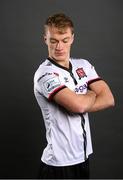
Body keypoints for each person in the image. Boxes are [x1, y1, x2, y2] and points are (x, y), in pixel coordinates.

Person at [34, 13, 115, 179]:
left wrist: (83, 99)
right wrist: (91, 93)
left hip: (83, 156)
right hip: (58, 164)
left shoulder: (83, 65)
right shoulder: (45, 74)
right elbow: (78, 106)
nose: (59, 47)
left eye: (64, 40)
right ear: (45, 40)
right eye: (53, 40)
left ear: (72, 38)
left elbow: (109, 99)